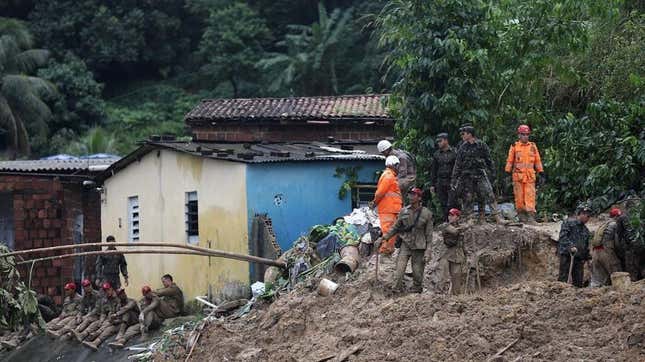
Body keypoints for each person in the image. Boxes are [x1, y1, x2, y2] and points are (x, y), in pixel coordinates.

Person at [376, 187, 433, 293]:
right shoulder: (404, 211)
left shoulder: (427, 213)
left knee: (417, 272)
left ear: (419, 197)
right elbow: (395, 227)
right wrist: (384, 238)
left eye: (414, 194)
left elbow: (429, 235)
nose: (410, 196)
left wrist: (428, 251)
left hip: (419, 246)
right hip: (406, 244)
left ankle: (416, 290)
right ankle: (396, 289)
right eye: (410, 194)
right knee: (399, 269)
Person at [451, 125, 502, 223]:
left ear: (470, 134)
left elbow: (489, 160)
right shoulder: (462, 147)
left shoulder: (481, 145)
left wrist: (493, 173)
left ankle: (496, 216)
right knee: (468, 197)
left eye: (464, 134)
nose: (462, 136)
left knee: (488, 194)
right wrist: (454, 179)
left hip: (480, 173)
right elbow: (457, 164)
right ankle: (470, 218)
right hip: (467, 176)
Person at [504, 124, 544, 224]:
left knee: (530, 197)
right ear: (519, 135)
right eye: (523, 134)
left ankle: (531, 218)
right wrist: (507, 173)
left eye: (527, 134)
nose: (525, 136)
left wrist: (541, 172)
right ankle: (522, 217)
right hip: (518, 177)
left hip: (530, 176)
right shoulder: (514, 146)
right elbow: (510, 160)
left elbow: (537, 160)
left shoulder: (533, 146)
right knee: (519, 199)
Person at [370, 155, 403, 255]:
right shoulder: (388, 176)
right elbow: (380, 193)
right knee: (388, 230)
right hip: (388, 209)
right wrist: (374, 202)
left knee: (392, 231)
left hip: (391, 208)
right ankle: (385, 250)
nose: (398, 168)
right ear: (392, 165)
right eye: (397, 165)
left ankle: (389, 249)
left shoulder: (390, 176)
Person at [557, 206, 592, 287]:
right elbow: (563, 237)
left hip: (579, 258)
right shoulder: (569, 223)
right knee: (564, 278)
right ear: (581, 214)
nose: (588, 218)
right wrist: (570, 246)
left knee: (578, 281)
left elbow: (585, 246)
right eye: (587, 216)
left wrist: (588, 258)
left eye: (589, 216)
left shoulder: (586, 230)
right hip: (568, 255)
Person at [439, 208, 467, 295]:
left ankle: (456, 297)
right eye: (449, 215)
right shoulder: (445, 225)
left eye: (452, 215)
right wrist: (468, 225)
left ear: (458, 217)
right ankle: (440, 295)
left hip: (457, 254)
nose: (450, 217)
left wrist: (466, 254)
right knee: (443, 276)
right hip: (446, 254)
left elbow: (462, 243)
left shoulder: (460, 228)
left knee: (456, 276)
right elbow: (454, 231)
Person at [430, 133, 457, 221]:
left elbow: (458, 168)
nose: (438, 143)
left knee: (452, 202)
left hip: (452, 181)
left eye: (440, 141)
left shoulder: (455, 152)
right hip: (441, 182)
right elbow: (434, 170)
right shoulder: (436, 154)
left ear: (446, 140)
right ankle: (446, 221)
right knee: (443, 203)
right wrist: (432, 184)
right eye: (437, 141)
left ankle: (454, 221)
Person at [610, 207, 641, 281]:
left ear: (615, 216)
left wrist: (619, 244)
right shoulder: (628, 216)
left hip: (630, 244)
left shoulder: (620, 219)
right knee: (637, 261)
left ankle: (633, 279)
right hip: (638, 241)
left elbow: (619, 233)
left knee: (629, 262)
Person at [589, 216, 622, 287]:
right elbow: (617, 242)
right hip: (606, 252)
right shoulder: (614, 224)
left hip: (595, 253)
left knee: (597, 279)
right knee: (617, 273)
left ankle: (594, 293)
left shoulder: (602, 225)